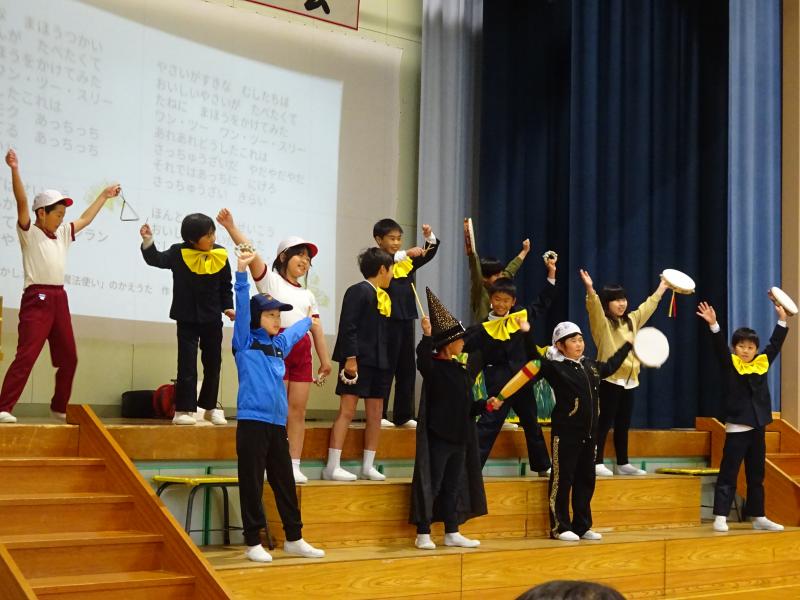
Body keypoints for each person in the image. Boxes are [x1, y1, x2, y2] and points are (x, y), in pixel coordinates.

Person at [0, 148, 120, 424]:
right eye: (58, 214)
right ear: (42, 213)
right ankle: (4, 406)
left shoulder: (63, 233)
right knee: (26, 356)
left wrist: (103, 196)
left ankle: (58, 407)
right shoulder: (29, 231)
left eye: (64, 214)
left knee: (69, 357)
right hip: (37, 298)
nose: (62, 218)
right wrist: (15, 169)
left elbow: (86, 218)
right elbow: (21, 201)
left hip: (59, 298)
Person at [216, 209, 332, 483]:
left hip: (301, 351)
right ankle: (274, 462)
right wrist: (231, 226)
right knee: (277, 409)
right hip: (275, 349)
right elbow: (250, 252)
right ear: (283, 257)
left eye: (308, 258)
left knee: (298, 410)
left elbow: (315, 327)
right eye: (299, 255)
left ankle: (294, 464)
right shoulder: (270, 280)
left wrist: (325, 360)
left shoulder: (309, 294)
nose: (305, 261)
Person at [494, 322, 633, 541]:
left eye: (581, 340)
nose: (579, 344)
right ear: (560, 345)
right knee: (562, 480)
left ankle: (582, 525)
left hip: (590, 435)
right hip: (566, 434)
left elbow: (611, 366)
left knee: (586, 480)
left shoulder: (590, 366)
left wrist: (627, 346)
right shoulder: (555, 368)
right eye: (573, 341)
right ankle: (560, 527)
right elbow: (534, 357)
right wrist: (527, 333)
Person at [232, 251, 324, 562]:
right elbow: (243, 303)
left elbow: (296, 331)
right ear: (256, 318)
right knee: (252, 482)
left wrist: (309, 320)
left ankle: (294, 538)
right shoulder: (245, 341)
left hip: (275, 425)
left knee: (284, 481)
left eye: (278, 315)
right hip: (252, 423)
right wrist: (241, 274)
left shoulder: (278, 345)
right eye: (271, 315)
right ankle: (252, 542)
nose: (277, 319)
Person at [409, 287, 500, 550]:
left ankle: (452, 531)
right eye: (460, 339)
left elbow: (468, 407)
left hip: (460, 438)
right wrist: (427, 336)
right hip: (440, 437)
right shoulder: (434, 368)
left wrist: (486, 405)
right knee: (433, 483)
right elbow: (422, 360)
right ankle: (423, 532)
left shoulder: (460, 370)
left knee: (453, 485)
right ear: (449, 343)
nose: (463, 344)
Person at [696, 296, 789, 533]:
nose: (746, 351)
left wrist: (782, 320)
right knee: (729, 472)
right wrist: (713, 324)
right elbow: (719, 347)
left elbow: (775, 344)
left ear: (755, 350)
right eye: (741, 346)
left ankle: (758, 516)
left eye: (750, 347)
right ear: (734, 348)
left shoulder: (761, 364)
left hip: (758, 426)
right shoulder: (730, 364)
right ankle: (720, 516)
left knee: (756, 475)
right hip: (737, 426)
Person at [463, 252, 557, 474]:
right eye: (497, 299)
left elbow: (541, 303)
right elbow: (463, 343)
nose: (501, 304)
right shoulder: (483, 327)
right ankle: (470, 469)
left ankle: (542, 466)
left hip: (522, 380)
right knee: (489, 423)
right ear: (491, 299)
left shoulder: (520, 317)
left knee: (531, 422)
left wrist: (552, 274)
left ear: (513, 302)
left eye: (506, 300)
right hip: (498, 382)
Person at [140, 214, 233, 425]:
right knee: (187, 364)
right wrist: (148, 241)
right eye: (207, 235)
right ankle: (183, 410)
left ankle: (210, 407)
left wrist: (228, 306)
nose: (212, 238)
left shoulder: (219, 254)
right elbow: (156, 259)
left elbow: (226, 285)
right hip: (186, 318)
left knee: (213, 364)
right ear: (192, 239)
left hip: (212, 318)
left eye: (213, 233)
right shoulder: (177, 252)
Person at [579, 269, 669, 476]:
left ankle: (623, 463)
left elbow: (648, 306)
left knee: (623, 424)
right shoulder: (602, 324)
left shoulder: (632, 320)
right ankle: (596, 461)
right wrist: (590, 289)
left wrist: (662, 287)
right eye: (615, 300)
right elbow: (594, 307)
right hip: (609, 378)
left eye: (623, 299)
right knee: (604, 422)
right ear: (607, 303)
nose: (621, 304)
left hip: (630, 380)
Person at [323, 247, 394, 481]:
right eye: (391, 270)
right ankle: (332, 466)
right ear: (382, 269)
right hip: (358, 361)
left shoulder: (383, 296)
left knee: (376, 413)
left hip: (379, 362)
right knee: (347, 410)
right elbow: (348, 326)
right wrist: (351, 358)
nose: (392, 274)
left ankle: (367, 465)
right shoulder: (358, 291)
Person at [373, 218, 440, 428]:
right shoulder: (375, 258)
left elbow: (427, 254)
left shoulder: (404, 263)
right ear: (379, 240)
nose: (396, 242)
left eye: (399, 239)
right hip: (386, 319)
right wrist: (406, 253)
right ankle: (379, 413)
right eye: (391, 238)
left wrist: (429, 238)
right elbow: (387, 260)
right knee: (386, 366)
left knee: (407, 367)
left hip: (406, 318)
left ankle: (403, 415)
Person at [466, 224, 531, 325]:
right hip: (483, 333)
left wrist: (525, 251)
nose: (501, 277)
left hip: (501, 331)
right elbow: (475, 272)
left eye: (501, 274)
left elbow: (511, 269)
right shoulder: (479, 291)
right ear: (484, 278)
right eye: (497, 275)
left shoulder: (499, 283)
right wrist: (471, 253)